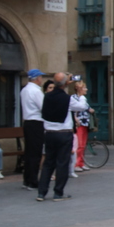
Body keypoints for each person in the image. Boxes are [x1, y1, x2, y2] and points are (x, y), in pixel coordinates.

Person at [37, 72, 74, 202]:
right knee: (62, 163)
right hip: (64, 133)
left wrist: (64, 84)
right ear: (65, 83)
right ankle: (58, 193)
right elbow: (82, 106)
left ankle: (41, 192)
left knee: (48, 162)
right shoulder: (67, 98)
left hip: (49, 133)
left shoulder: (47, 96)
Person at [20, 69, 45, 190]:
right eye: (41, 77)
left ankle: (27, 179)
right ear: (37, 78)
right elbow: (43, 107)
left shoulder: (24, 90)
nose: (41, 79)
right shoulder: (36, 91)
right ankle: (33, 181)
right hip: (36, 122)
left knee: (29, 152)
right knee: (36, 153)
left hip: (27, 122)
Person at [71, 81, 94, 174]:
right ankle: (76, 164)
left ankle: (81, 162)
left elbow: (87, 108)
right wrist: (75, 120)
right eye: (84, 88)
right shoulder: (74, 98)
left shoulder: (84, 98)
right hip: (79, 124)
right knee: (79, 145)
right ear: (79, 89)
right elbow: (73, 110)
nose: (86, 89)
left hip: (85, 123)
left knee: (83, 144)